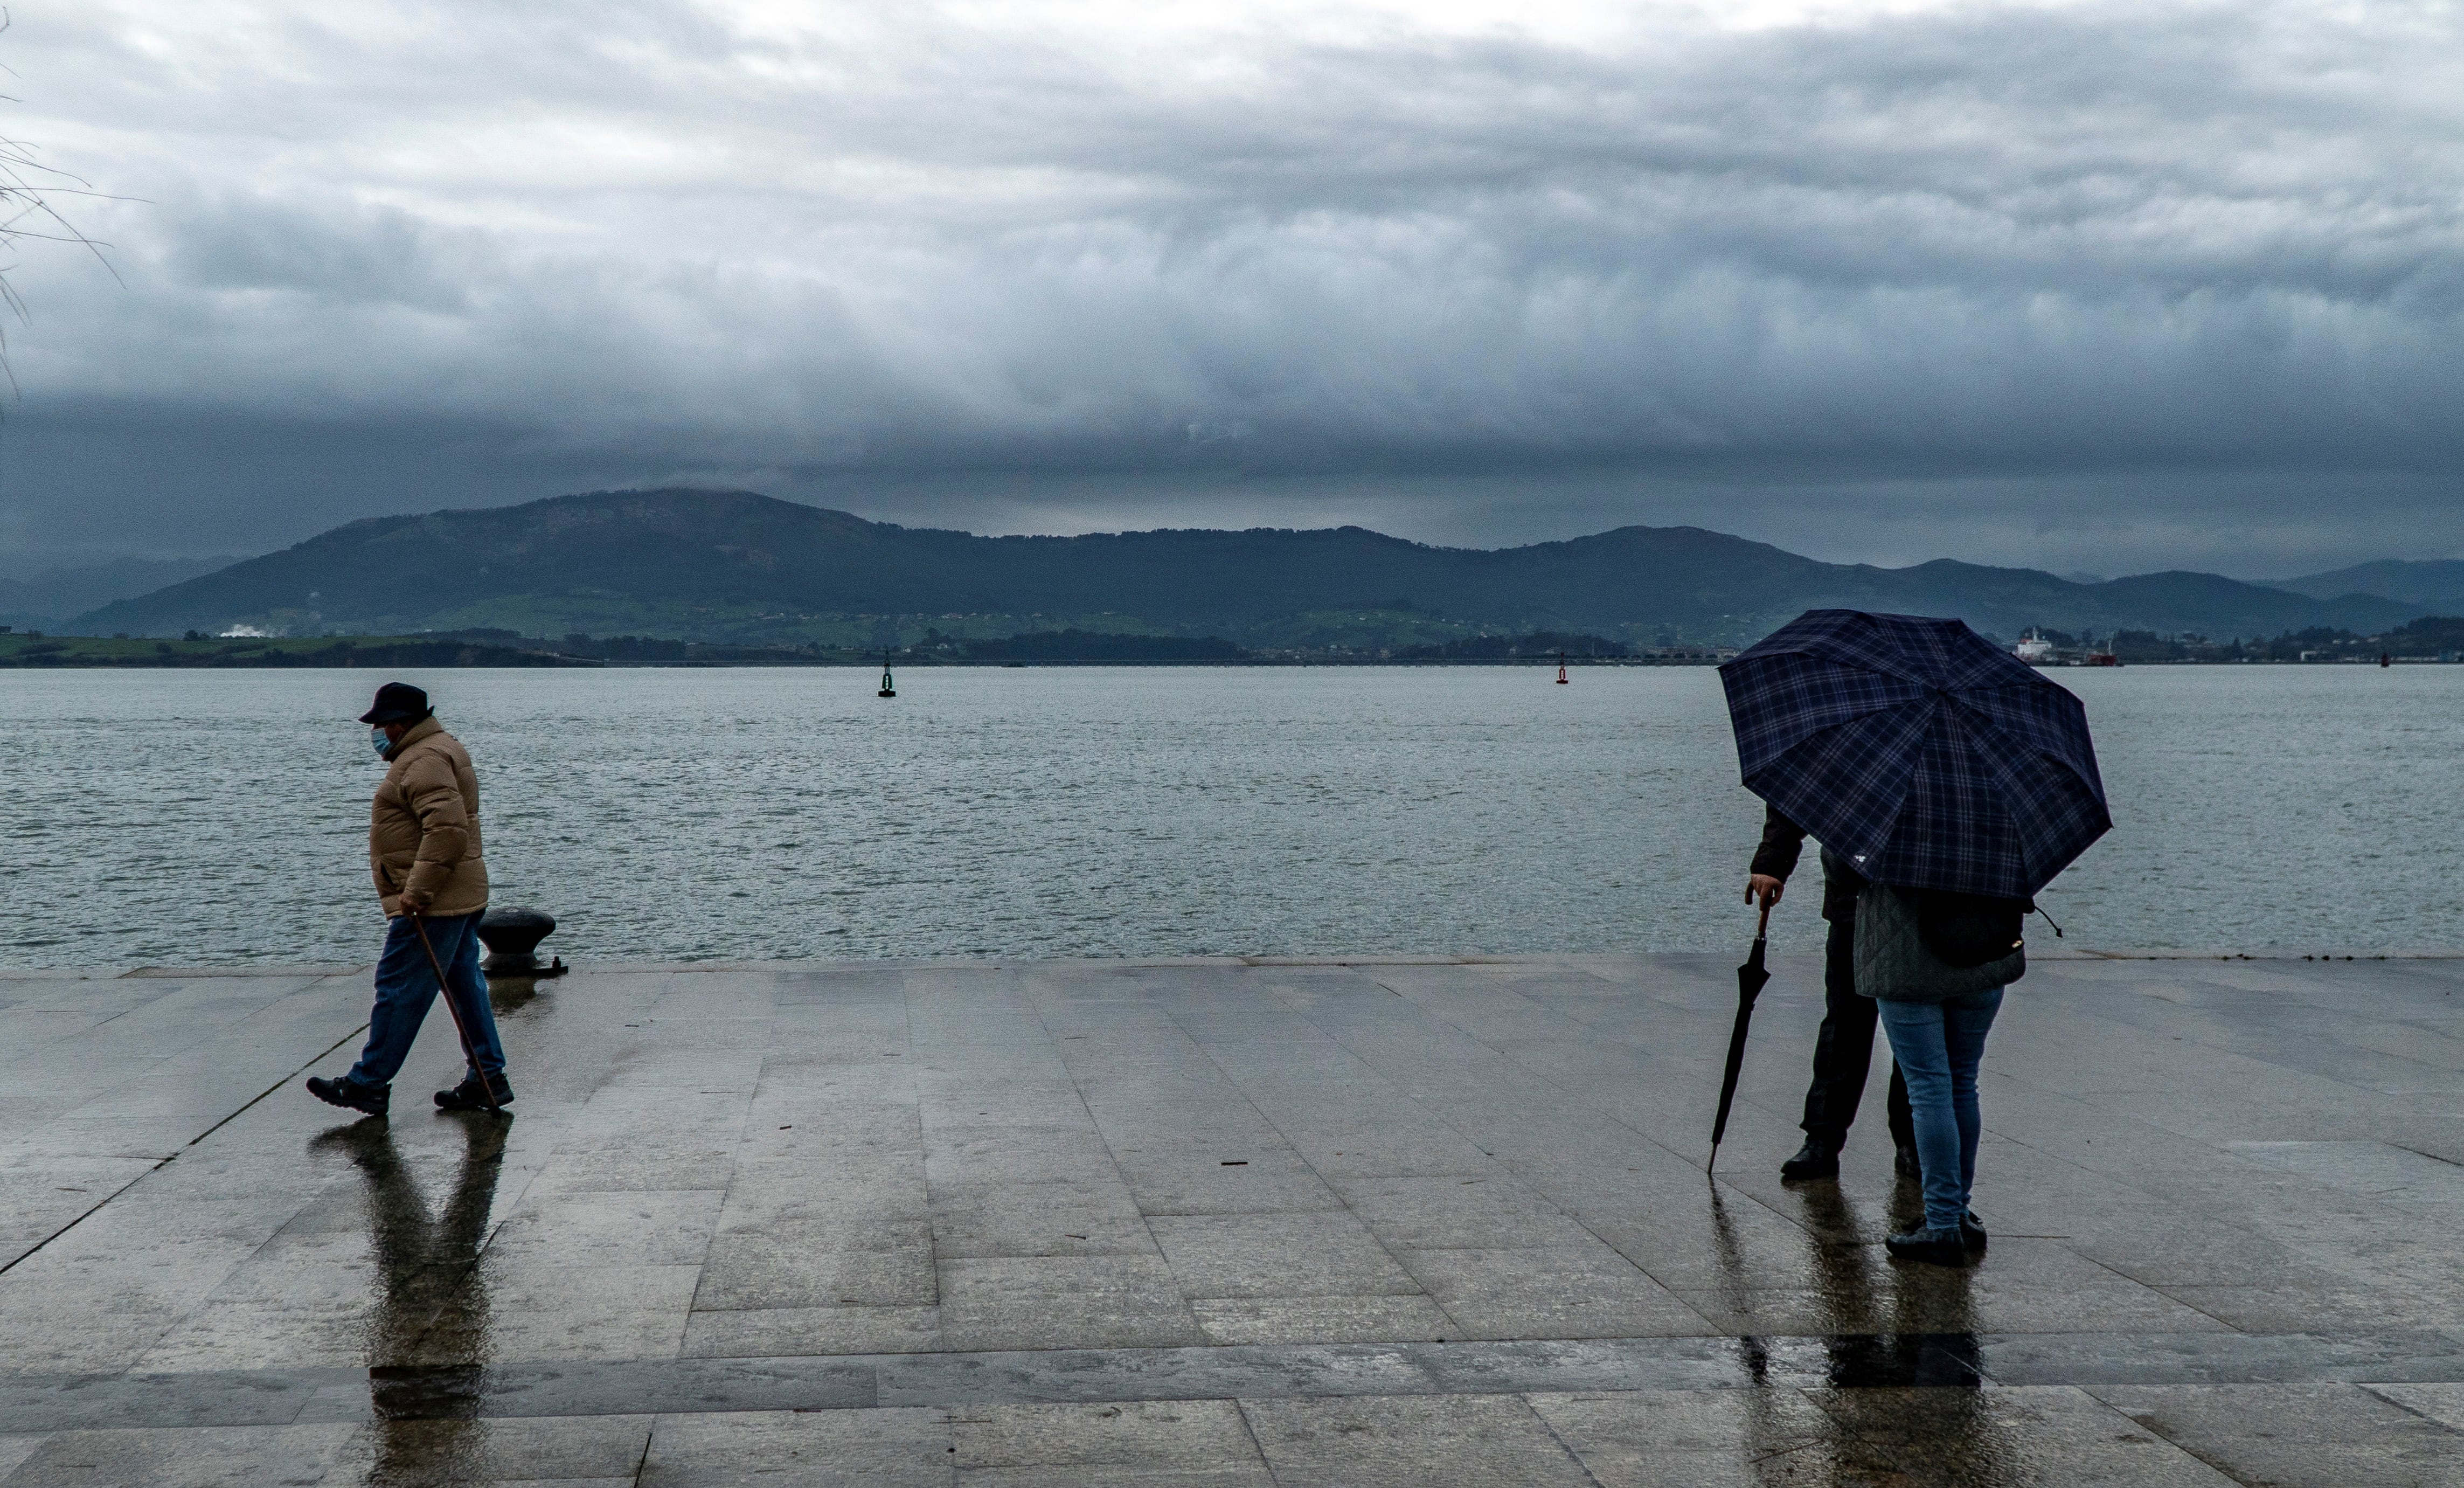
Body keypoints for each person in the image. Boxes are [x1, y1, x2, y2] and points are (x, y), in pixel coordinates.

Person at [307, 683, 512, 1118]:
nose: (377, 732)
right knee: (464, 986)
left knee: (398, 988)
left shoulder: (423, 760)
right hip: (457, 892)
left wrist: (416, 892)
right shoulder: (438, 748)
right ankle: (487, 1076)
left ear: (402, 723)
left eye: (382, 724)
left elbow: (447, 831)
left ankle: (369, 1082)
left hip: (433, 901)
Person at [1746, 804, 1914, 1181]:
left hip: (1922, 898)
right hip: (1853, 894)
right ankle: (1822, 1139)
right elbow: (1801, 787)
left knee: (1917, 1030)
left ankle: (1913, 1142)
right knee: (1844, 1022)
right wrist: (1773, 860)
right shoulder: (1846, 746)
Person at [1858, 886, 2022, 1266]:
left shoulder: (1888, 824)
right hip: (1981, 953)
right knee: (1962, 1080)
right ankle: (1958, 1213)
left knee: (1928, 1087)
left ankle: (1943, 1223)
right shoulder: (1993, 824)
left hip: (1904, 959)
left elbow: (1843, 866)